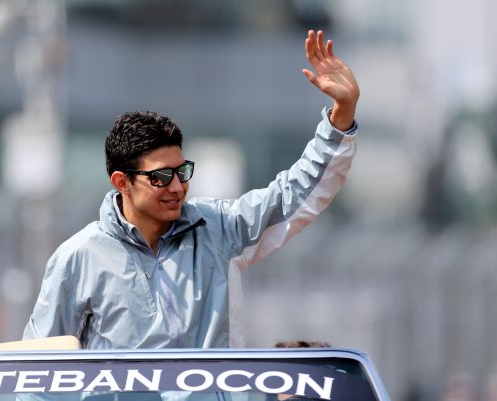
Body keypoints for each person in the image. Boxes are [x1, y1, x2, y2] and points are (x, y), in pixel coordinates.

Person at [22, 30, 360, 349]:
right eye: (160, 177)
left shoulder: (220, 229)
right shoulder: (79, 257)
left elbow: (293, 195)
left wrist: (341, 116)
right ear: (121, 182)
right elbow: (38, 369)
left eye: (182, 171)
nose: (177, 186)